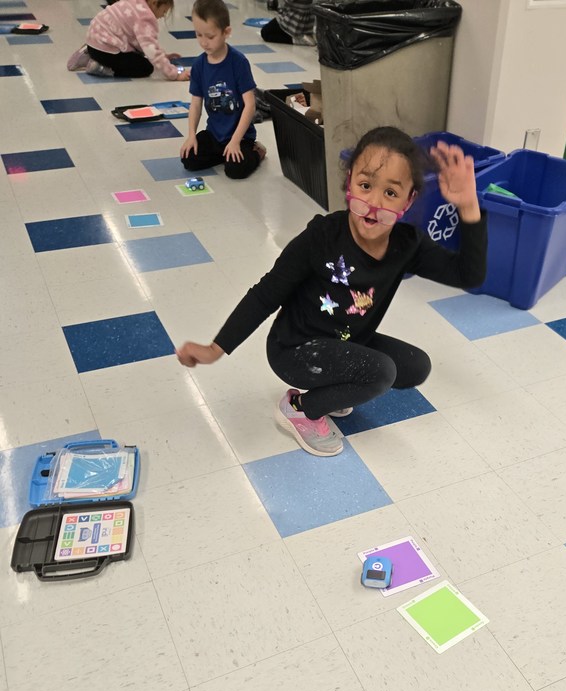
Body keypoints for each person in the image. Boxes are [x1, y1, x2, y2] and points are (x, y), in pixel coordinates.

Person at [176, 127, 487, 457]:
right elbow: (265, 294)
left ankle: (333, 388)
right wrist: (215, 348)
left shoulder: (407, 244)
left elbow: (469, 275)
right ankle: (301, 407)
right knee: (382, 372)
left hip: (345, 341)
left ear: (409, 201)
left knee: (416, 367)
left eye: (391, 194)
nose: (373, 203)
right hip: (294, 349)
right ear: (349, 182)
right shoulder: (321, 237)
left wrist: (468, 205)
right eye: (365, 186)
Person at [180, 0, 266, 180]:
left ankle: (257, 151)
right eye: (198, 35)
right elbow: (196, 104)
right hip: (214, 135)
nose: (204, 42)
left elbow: (250, 105)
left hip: (240, 137)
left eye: (210, 36)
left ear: (226, 32)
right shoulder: (199, 65)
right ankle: (224, 153)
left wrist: (235, 141)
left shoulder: (238, 62)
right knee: (189, 159)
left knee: (235, 171)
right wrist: (191, 136)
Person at [66, 0, 190, 80]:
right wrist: (174, 74)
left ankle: (88, 53)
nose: (163, 15)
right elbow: (149, 49)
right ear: (153, 3)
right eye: (164, 11)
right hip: (106, 50)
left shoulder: (134, 3)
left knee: (140, 56)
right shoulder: (145, 17)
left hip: (94, 41)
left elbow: (143, 44)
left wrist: (162, 56)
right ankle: (99, 66)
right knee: (145, 67)